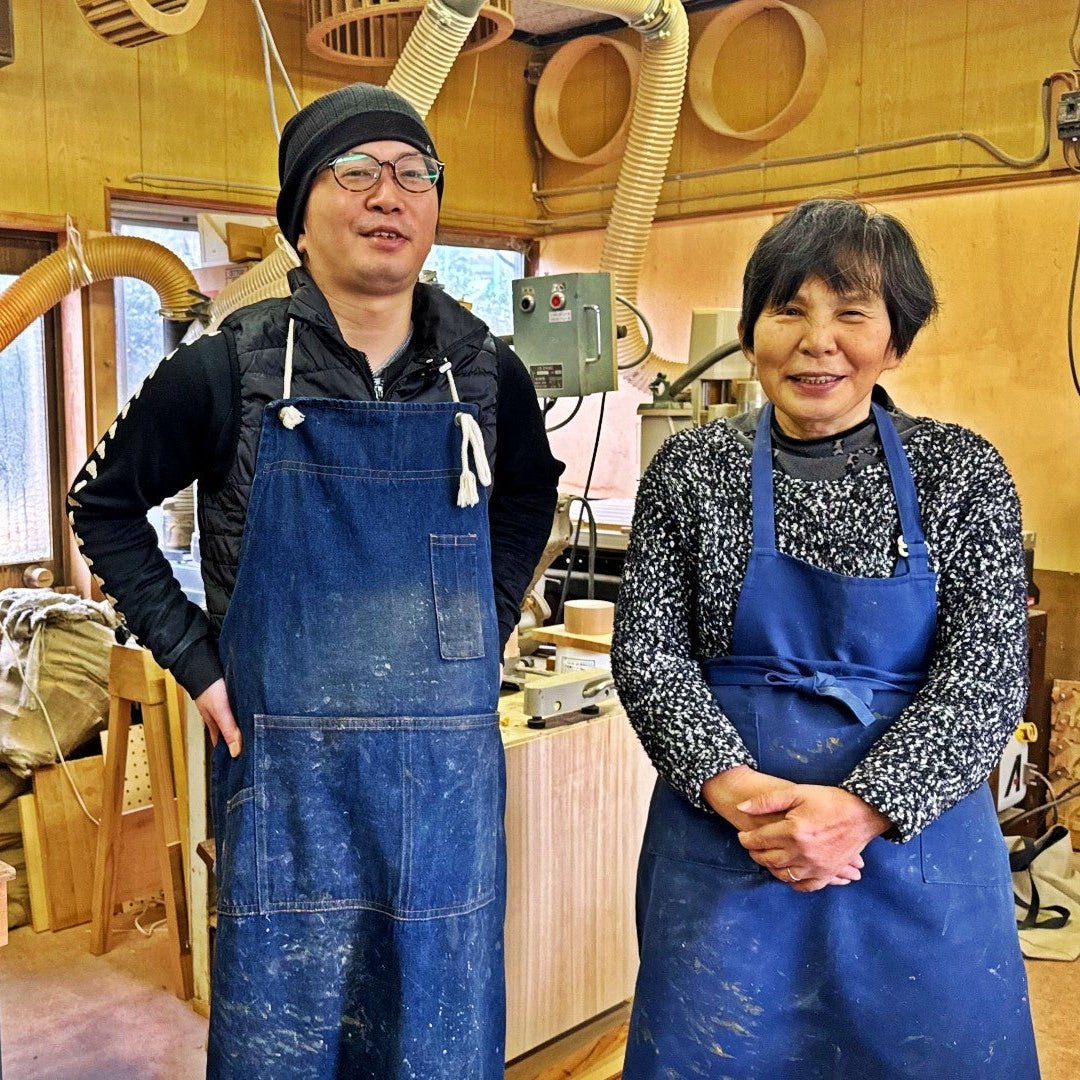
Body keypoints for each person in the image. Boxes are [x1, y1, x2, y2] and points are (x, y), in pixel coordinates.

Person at [69, 82, 563, 1079]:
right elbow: (102, 506)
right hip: (287, 776)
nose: (389, 195)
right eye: (356, 171)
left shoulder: (487, 373)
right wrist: (195, 661)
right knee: (286, 1039)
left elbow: (527, 497)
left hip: (447, 781)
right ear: (300, 213)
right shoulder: (226, 369)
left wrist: (488, 616)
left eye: (414, 174)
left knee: (436, 1029)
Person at [611, 198, 1039, 1078]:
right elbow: (649, 655)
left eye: (852, 313)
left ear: (895, 342)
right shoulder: (691, 472)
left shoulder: (961, 472)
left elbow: (987, 677)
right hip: (731, 847)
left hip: (912, 855)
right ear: (750, 332)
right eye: (790, 311)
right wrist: (737, 794)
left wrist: (863, 810)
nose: (818, 342)